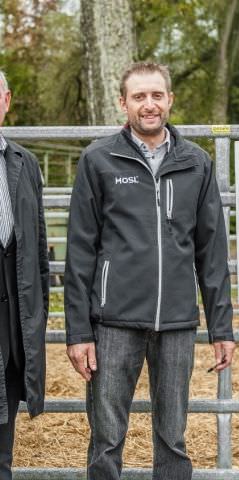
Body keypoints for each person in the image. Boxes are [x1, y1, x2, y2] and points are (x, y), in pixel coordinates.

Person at [64, 62, 235, 480]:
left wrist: (221, 328)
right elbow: (80, 249)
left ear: (170, 100)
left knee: (173, 438)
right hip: (113, 322)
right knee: (106, 437)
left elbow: (211, 252)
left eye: (157, 95)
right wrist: (78, 333)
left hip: (176, 321)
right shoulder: (99, 159)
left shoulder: (196, 162)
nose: (149, 104)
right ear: (122, 103)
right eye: (139, 96)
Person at [0, 70, 49, 480]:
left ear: (7, 101)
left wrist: (37, 320)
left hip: (13, 319)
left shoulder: (24, 162)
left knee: (4, 434)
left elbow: (37, 248)